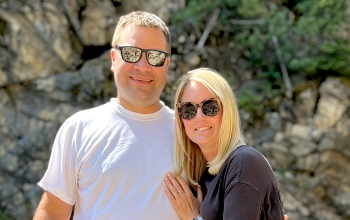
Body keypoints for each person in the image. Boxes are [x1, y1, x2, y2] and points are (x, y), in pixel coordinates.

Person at [33, 11, 181, 220]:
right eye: (131, 53)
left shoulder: (190, 132)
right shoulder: (79, 128)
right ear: (113, 58)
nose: (143, 66)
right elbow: (53, 212)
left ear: (167, 64)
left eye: (155, 56)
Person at [163, 68, 285, 220]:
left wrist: (193, 217)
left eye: (210, 106)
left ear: (227, 110)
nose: (199, 117)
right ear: (181, 118)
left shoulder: (244, 164)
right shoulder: (205, 176)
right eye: (188, 109)